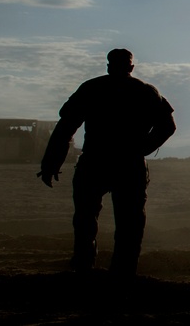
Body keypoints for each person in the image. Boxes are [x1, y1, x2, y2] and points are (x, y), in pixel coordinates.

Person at [38, 48, 176, 277]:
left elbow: (65, 127)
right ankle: (123, 272)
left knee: (86, 220)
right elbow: (168, 126)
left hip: (96, 162)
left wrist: (51, 163)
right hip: (126, 165)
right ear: (131, 67)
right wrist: (142, 149)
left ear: (109, 65)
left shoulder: (92, 88)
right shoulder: (145, 91)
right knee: (128, 224)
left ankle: (84, 267)